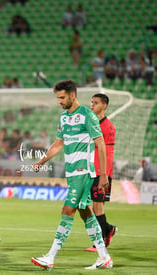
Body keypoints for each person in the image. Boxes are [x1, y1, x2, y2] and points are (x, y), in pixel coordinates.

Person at [31, 80, 113, 270]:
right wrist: (42, 161)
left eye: (62, 97)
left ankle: (50, 257)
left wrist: (103, 175)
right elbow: (58, 144)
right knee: (86, 213)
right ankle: (104, 256)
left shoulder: (87, 115)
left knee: (67, 210)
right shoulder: (64, 118)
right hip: (72, 173)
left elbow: (100, 143)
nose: (59, 101)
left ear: (72, 95)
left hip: (84, 172)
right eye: (57, 98)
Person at [85, 93, 117, 252]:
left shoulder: (108, 127)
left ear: (104, 105)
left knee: (97, 205)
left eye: (96, 102)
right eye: (91, 102)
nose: (92, 105)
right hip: (92, 171)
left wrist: (105, 175)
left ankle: (102, 239)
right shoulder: (92, 123)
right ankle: (107, 231)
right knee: (94, 207)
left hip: (101, 172)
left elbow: (109, 153)